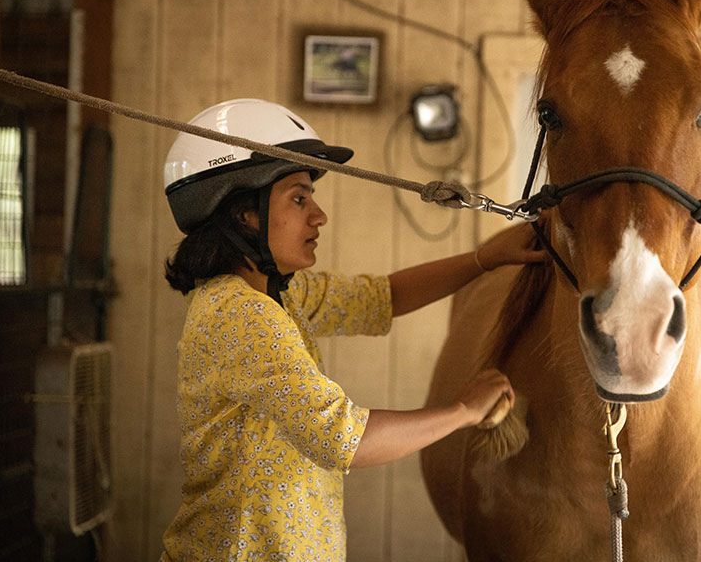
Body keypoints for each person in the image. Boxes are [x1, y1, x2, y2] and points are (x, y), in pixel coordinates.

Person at [159, 98, 545, 561]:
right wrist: (464, 410)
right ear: (244, 214)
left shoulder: (278, 295)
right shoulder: (241, 314)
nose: (318, 216)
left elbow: (384, 297)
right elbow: (345, 440)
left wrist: (485, 260)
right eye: (299, 198)